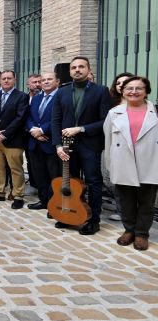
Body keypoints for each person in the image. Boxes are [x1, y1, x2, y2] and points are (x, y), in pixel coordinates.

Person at [51, 56, 112, 235]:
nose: (77, 70)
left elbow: (105, 120)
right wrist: (57, 145)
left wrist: (81, 129)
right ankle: (69, 214)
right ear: (69, 71)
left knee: (93, 182)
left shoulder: (101, 91)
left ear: (88, 69)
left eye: (81, 67)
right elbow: (55, 120)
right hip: (66, 146)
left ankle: (93, 220)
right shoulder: (61, 92)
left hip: (90, 144)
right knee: (70, 181)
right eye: (73, 67)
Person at [104, 76, 157, 251]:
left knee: (146, 201)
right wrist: (110, 165)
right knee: (125, 200)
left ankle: (141, 234)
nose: (133, 92)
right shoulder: (114, 112)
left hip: (149, 162)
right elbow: (109, 141)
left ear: (146, 91)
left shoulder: (155, 112)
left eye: (138, 88)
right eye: (129, 88)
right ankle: (129, 230)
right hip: (122, 162)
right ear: (123, 91)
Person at [0, 70, 29, 209]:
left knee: (15, 169)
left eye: (9, 78)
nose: (6, 81)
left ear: (15, 79)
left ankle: (18, 195)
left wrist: (6, 133)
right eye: (4, 78)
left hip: (13, 140)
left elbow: (20, 118)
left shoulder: (22, 96)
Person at [25, 72, 60, 210]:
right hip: (35, 142)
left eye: (49, 79)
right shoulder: (36, 98)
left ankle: (54, 203)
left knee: (54, 175)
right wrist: (34, 131)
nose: (45, 82)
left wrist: (42, 130)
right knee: (39, 174)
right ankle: (43, 200)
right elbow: (28, 117)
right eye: (43, 80)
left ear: (57, 81)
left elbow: (59, 119)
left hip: (51, 142)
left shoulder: (61, 97)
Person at [104, 72, 134, 221]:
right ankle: (122, 212)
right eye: (118, 83)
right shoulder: (111, 106)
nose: (121, 85)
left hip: (136, 151)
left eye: (126, 82)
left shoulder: (143, 105)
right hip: (116, 150)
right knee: (117, 182)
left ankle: (136, 215)